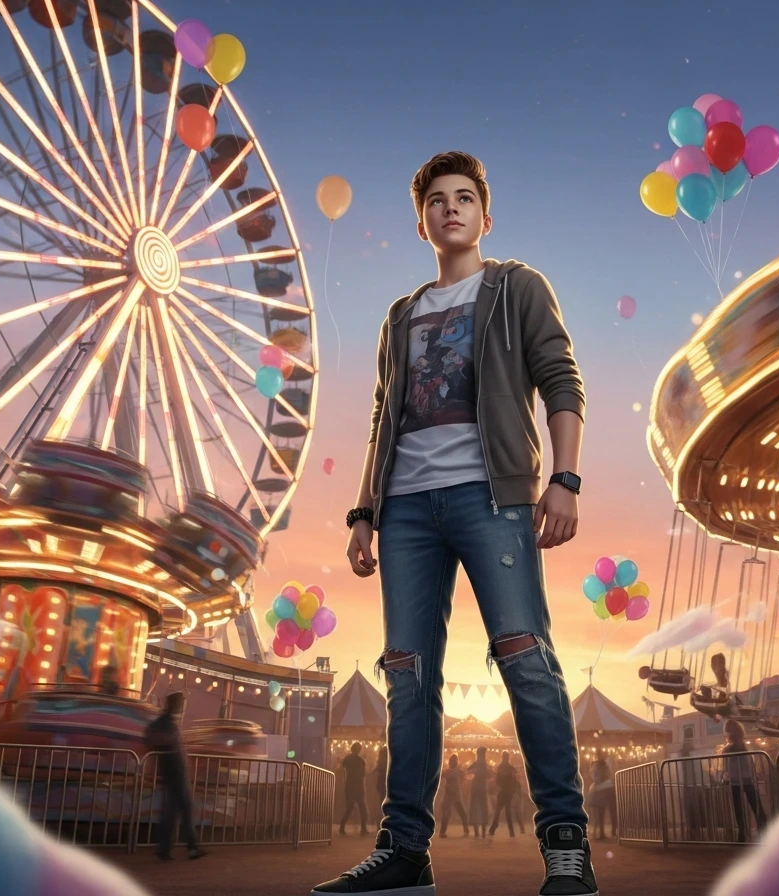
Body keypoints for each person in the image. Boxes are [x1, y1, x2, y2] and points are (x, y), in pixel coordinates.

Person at [316, 151, 594, 896]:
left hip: (492, 496)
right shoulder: (400, 317)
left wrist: (564, 478)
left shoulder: (517, 287)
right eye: (437, 200)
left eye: (464, 197)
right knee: (407, 675)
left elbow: (561, 380)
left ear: (484, 216)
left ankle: (565, 843)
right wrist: (365, 511)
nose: (450, 208)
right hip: (406, 507)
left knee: (525, 657)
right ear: (422, 224)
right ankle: (404, 850)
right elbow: (385, 417)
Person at [145, 692, 204, 860]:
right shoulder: (165, 723)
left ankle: (167, 849)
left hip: (174, 771)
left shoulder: (167, 722)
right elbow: (151, 737)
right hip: (174, 771)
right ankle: (191, 848)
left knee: (173, 811)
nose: (183, 708)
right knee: (184, 808)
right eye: (181, 705)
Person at [722, 720, 767, 843]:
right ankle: (764, 828)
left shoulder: (727, 749)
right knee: (756, 805)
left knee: (738, 808)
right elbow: (749, 763)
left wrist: (724, 779)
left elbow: (727, 767)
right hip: (747, 779)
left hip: (734, 781)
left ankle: (742, 832)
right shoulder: (745, 746)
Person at [339, 743, 369, 836]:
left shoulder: (347, 759)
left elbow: (342, 768)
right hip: (358, 787)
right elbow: (363, 773)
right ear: (359, 750)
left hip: (349, 786)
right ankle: (363, 828)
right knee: (362, 808)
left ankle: (342, 827)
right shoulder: (361, 761)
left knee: (349, 808)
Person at [489, 751, 521, 837]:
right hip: (507, 792)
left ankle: (494, 828)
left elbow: (498, 781)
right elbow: (514, 781)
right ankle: (510, 831)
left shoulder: (501, 768)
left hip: (504, 792)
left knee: (499, 811)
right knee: (506, 811)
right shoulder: (510, 769)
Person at [438, 754, 469, 837]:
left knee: (451, 813)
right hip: (453, 793)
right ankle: (465, 831)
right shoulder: (456, 771)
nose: (451, 762)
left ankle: (442, 832)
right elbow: (465, 778)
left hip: (453, 793)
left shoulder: (451, 771)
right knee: (454, 813)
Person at [587, 756, 616, 840]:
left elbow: (596, 778)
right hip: (608, 788)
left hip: (601, 790)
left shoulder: (595, 766)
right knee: (611, 810)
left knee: (601, 812)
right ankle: (611, 831)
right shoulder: (604, 765)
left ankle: (602, 832)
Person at [467, 746, 491, 839]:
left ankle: (478, 831)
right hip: (481, 786)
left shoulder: (478, 763)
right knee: (482, 807)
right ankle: (481, 831)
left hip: (477, 786)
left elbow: (468, 770)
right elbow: (487, 775)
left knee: (476, 807)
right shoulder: (483, 764)